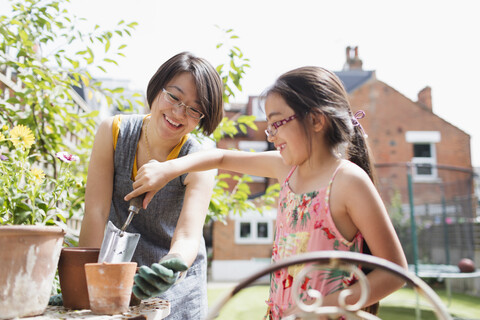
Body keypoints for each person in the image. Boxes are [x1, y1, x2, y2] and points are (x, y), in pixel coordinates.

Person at [125, 66, 408, 319]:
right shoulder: (287, 169)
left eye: (277, 123)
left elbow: (395, 272)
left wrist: (326, 306)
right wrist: (168, 169)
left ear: (316, 121)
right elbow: (221, 158)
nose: (270, 135)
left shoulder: (348, 181)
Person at [78, 52, 224, 319]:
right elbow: (95, 214)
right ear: (157, 88)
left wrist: (170, 268)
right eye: (174, 97)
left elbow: (188, 236)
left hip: (175, 285)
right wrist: (83, 284)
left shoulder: (200, 155)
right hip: (114, 275)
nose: (179, 113)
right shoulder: (113, 131)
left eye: (194, 109)